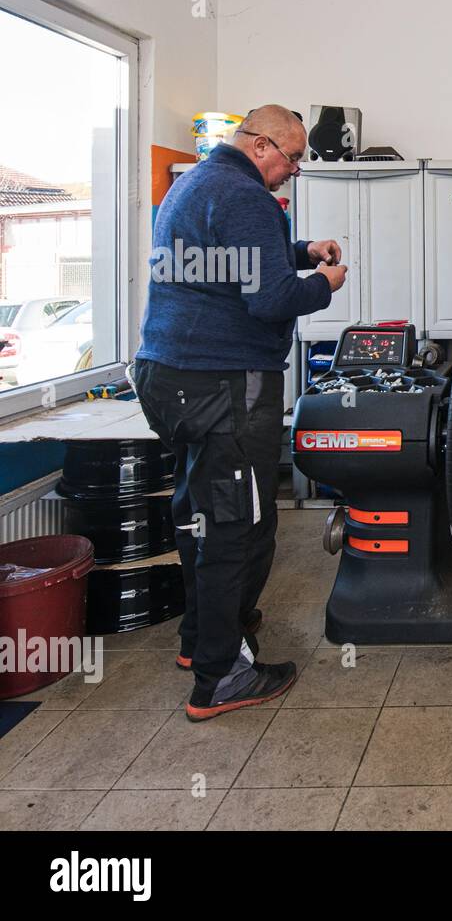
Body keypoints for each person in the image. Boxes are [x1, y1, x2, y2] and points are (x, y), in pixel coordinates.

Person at [134, 104, 347, 721]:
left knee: (198, 513)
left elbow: (232, 260)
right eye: (293, 156)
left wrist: (301, 250)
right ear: (260, 146)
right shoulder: (248, 196)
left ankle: (200, 638)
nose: (296, 169)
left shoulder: (197, 183)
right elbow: (271, 297)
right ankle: (221, 676)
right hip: (224, 383)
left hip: (168, 376)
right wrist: (325, 282)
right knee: (240, 524)